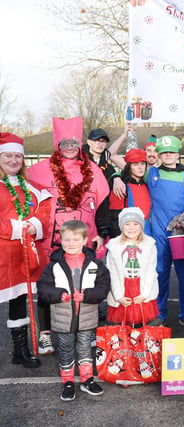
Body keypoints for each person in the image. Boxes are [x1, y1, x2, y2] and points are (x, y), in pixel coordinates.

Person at [29, 117, 110, 355]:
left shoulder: (93, 170)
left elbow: (103, 205)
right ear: (57, 144)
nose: (69, 146)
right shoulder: (38, 170)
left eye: (73, 142)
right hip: (49, 241)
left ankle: (86, 331)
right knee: (48, 285)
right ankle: (45, 335)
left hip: (83, 238)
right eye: (64, 142)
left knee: (85, 284)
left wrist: (102, 234)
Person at [37, 220, 111, 401]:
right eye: (67, 240)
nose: (71, 244)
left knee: (85, 348)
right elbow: (43, 287)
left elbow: (103, 286)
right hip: (63, 317)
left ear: (85, 239)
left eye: (76, 239)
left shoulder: (95, 263)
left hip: (86, 316)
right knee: (65, 348)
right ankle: (68, 381)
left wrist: (87, 295)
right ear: (60, 240)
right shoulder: (54, 264)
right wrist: (58, 294)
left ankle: (87, 380)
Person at [0, 132, 52, 368]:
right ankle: (21, 348)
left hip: (27, 253)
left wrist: (35, 225)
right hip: (4, 254)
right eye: (8, 156)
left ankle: (20, 349)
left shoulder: (34, 188)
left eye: (17, 156)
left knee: (21, 299)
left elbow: (44, 214)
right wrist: (20, 226)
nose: (13, 160)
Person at [147, 135, 184, 330]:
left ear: (178, 154)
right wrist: (117, 177)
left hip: (181, 235)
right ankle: (159, 314)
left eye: (171, 152)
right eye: (164, 153)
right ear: (159, 155)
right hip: (159, 236)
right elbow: (127, 169)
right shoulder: (151, 174)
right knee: (160, 274)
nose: (168, 155)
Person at [105, 207, 160, 327]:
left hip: (140, 290)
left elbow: (151, 271)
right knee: (122, 326)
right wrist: (118, 295)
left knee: (142, 325)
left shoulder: (149, 245)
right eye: (127, 224)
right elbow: (112, 273)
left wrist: (145, 294)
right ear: (121, 226)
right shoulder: (114, 246)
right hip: (123, 289)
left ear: (141, 226)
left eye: (136, 224)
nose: (131, 228)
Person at [107, 148, 150, 238]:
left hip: (146, 234)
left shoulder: (146, 185)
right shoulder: (121, 187)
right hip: (128, 237)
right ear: (129, 166)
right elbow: (115, 218)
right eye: (135, 164)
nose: (140, 167)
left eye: (142, 163)